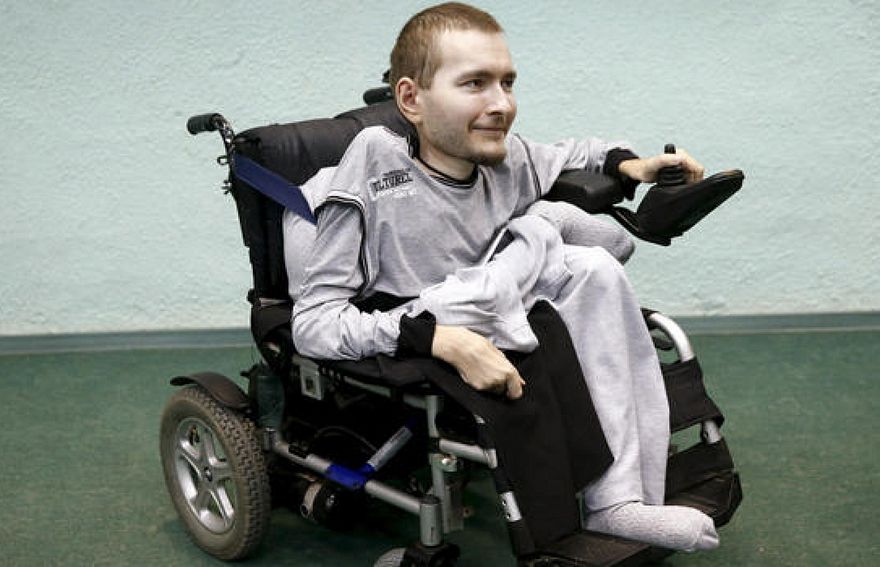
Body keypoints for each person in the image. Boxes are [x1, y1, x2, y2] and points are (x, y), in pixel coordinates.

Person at [284, 2, 718, 552]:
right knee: (553, 233)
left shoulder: (506, 158)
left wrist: (630, 165)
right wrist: (439, 339)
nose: (502, 104)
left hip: (490, 292)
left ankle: (620, 502)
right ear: (411, 99)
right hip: (412, 318)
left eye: (507, 83)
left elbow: (574, 153)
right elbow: (313, 324)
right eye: (475, 83)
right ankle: (553, 228)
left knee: (596, 268)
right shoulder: (375, 166)